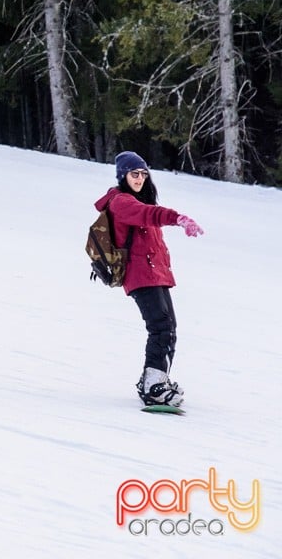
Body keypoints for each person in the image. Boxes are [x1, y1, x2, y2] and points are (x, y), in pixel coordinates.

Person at [94, 151, 203, 408]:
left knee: (169, 328)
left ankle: (158, 380)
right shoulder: (122, 202)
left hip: (156, 274)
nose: (140, 178)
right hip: (140, 275)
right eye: (134, 174)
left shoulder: (139, 200)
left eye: (143, 174)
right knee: (160, 327)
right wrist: (178, 218)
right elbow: (150, 215)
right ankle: (152, 385)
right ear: (123, 176)